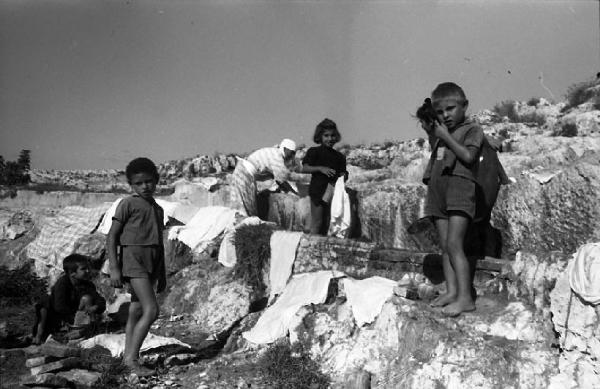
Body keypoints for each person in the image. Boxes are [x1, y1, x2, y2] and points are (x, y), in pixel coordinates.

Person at [420, 82, 484, 317]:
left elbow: (468, 156)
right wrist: (433, 134)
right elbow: (437, 155)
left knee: (456, 244)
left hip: (459, 188)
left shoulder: (472, 129)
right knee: (445, 245)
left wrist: (445, 136)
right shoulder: (440, 133)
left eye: (451, 108)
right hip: (439, 190)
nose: (445, 115)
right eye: (440, 112)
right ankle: (452, 291)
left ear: (464, 106)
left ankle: (466, 298)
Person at [107, 157, 166, 376]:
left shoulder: (158, 209)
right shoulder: (127, 204)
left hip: (151, 262)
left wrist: (162, 274)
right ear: (131, 185)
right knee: (152, 310)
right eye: (139, 183)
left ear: (157, 180)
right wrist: (114, 267)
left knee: (136, 309)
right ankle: (132, 360)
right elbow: (112, 236)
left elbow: (159, 244)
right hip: (133, 261)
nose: (145, 187)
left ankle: (125, 358)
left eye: (149, 181)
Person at [32, 254, 106, 344]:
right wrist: (73, 314)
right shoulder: (62, 284)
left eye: (88, 268)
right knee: (43, 304)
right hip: (59, 317)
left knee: (87, 298)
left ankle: (87, 330)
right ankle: (39, 336)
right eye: (83, 269)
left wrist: (96, 307)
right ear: (72, 273)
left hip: (77, 319)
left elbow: (99, 300)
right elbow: (59, 307)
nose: (87, 271)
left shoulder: (88, 285)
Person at [301, 118, 348, 235]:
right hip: (318, 191)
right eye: (326, 135)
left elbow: (343, 173)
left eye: (332, 136)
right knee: (317, 222)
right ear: (320, 136)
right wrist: (320, 168)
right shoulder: (314, 152)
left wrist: (344, 175)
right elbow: (305, 168)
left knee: (328, 223)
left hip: (332, 191)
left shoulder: (340, 156)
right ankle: (310, 249)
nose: (330, 139)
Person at [231, 139, 298, 216]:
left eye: (294, 153)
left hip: (243, 171)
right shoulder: (278, 158)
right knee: (245, 206)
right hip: (244, 174)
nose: (292, 155)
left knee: (244, 203)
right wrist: (292, 192)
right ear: (285, 149)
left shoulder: (275, 152)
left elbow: (274, 176)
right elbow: (280, 181)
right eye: (292, 152)